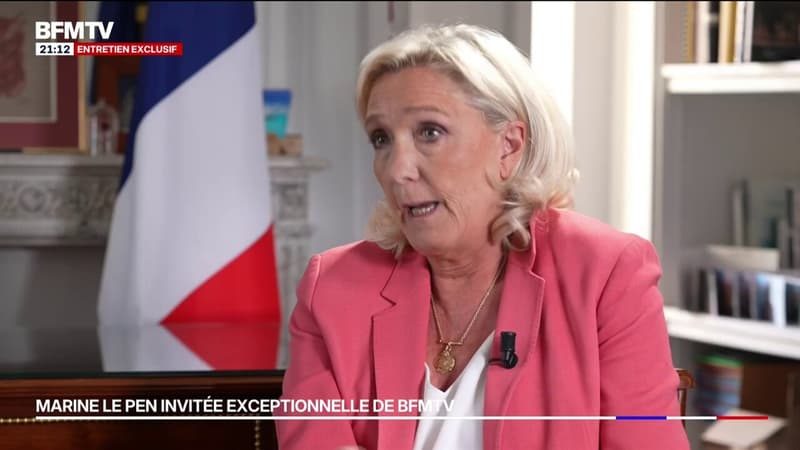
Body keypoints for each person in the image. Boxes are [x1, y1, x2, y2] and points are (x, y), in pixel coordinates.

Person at [276, 24, 690, 450]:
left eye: (429, 132)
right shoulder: (331, 287)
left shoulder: (607, 274)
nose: (397, 170)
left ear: (509, 146)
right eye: (381, 139)